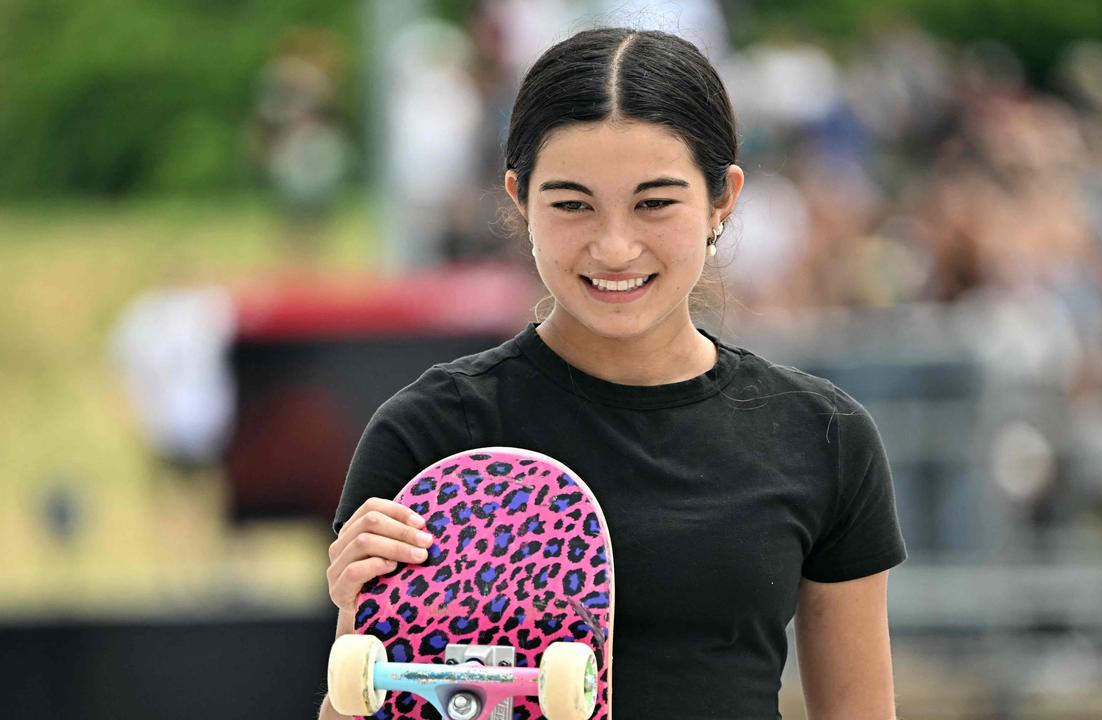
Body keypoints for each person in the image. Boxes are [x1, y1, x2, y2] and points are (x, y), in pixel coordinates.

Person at [321, 27, 906, 720]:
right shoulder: (435, 436)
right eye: (573, 204)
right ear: (519, 199)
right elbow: (363, 708)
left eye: (655, 202)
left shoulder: (821, 436)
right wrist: (356, 633)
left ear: (723, 200)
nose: (615, 246)